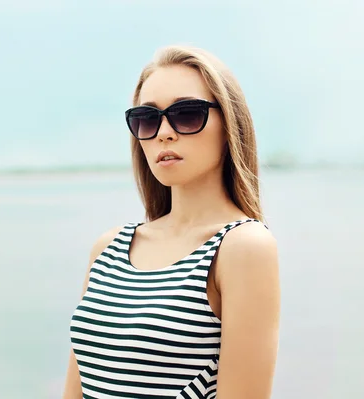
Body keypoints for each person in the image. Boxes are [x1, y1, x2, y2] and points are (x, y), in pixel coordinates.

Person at [62, 44, 281, 399]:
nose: (164, 132)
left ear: (229, 125)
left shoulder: (242, 247)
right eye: (147, 119)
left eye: (187, 114)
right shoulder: (108, 249)